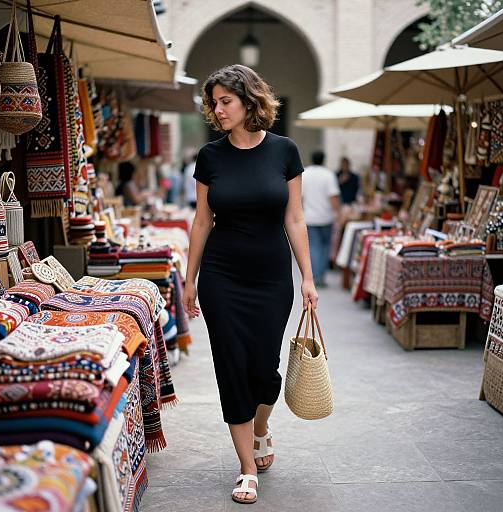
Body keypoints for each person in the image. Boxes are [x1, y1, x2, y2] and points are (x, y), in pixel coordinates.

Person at [182, 64, 318, 505]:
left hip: (271, 276)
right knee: (231, 366)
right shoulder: (210, 157)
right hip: (221, 276)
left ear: (248, 101)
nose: (217, 110)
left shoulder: (285, 151)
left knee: (264, 368)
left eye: (226, 101)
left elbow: (294, 218)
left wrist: (308, 279)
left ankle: (261, 428)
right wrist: (190, 279)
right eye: (214, 103)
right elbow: (202, 221)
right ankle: (245, 467)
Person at [302, 150, 341, 287]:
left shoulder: (304, 173)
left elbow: (300, 196)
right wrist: (338, 213)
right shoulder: (328, 174)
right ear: (324, 159)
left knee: (313, 247)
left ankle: (316, 276)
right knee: (325, 247)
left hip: (309, 217)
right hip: (326, 217)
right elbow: (334, 196)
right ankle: (321, 275)